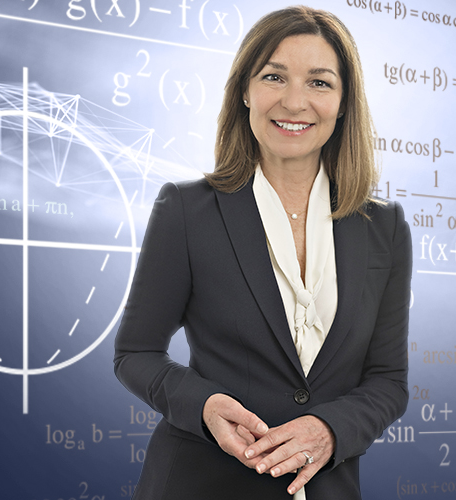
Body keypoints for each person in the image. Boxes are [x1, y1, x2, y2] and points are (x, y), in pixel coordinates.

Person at [113, 6, 412, 499]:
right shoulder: (186, 210)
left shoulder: (384, 228)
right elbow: (136, 353)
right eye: (274, 76)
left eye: (319, 83)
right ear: (245, 91)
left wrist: (330, 430)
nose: (295, 102)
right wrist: (205, 404)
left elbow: (387, 380)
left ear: (342, 103)